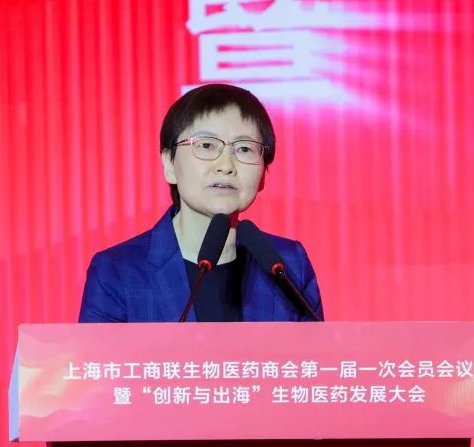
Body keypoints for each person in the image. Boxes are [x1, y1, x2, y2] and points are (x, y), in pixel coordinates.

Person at [78, 84, 324, 323]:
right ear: (169, 163)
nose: (226, 166)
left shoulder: (288, 265)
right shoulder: (117, 270)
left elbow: (318, 350)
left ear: (263, 174)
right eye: (206, 145)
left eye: (244, 149)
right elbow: (99, 354)